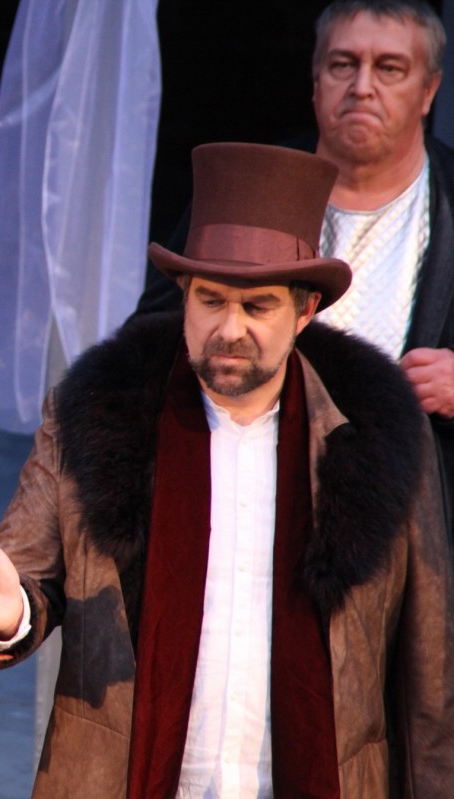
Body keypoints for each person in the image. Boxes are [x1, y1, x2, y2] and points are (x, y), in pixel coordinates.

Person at [0, 143, 454, 797]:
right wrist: (8, 611)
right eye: (211, 300)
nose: (230, 329)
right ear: (183, 295)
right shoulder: (99, 413)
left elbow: (431, 675)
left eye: (258, 307)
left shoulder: (381, 432)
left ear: (305, 311)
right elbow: (23, 575)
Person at [134, 0, 454, 530]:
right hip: (245, 506)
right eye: (343, 64)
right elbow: (147, 340)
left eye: (389, 68)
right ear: (315, 80)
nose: (362, 87)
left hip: (412, 519)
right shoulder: (250, 188)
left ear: (429, 91)